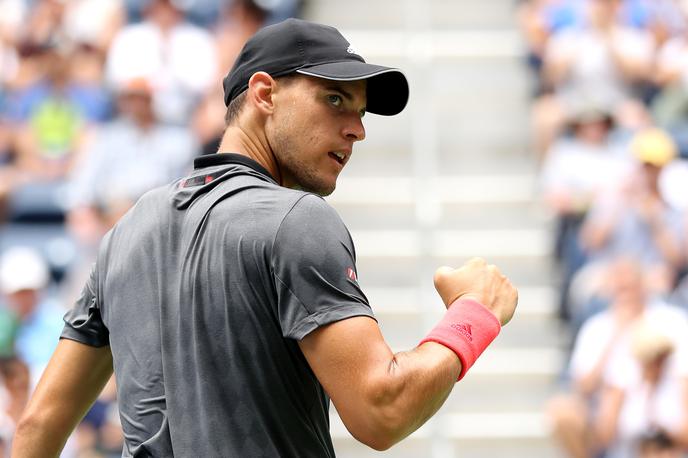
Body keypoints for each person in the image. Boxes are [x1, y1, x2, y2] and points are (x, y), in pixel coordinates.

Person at [11, 19, 518, 456]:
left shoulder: (129, 228)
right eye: (334, 99)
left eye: (360, 113)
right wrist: (474, 313)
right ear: (264, 94)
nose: (356, 130)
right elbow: (381, 411)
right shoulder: (298, 219)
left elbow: (38, 423)